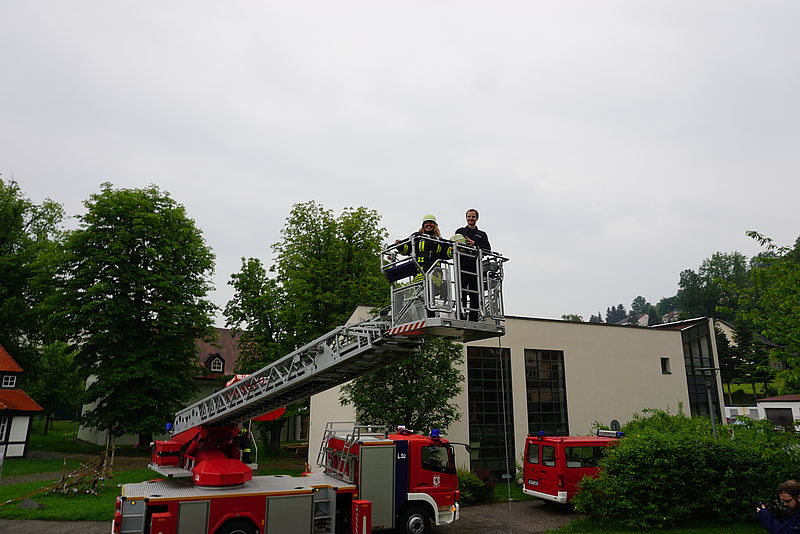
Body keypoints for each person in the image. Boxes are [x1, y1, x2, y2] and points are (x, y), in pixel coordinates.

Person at [454, 209, 491, 321]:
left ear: (477, 218)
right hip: (462, 266)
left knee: (475, 292)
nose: (471, 218)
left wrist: (475, 244)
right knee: (461, 291)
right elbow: (454, 245)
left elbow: (488, 250)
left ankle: (473, 317)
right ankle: (461, 315)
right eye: (469, 216)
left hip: (476, 267)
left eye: (473, 217)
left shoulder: (482, 234)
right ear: (466, 218)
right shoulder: (460, 231)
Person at [394, 214, 453, 280]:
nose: (428, 224)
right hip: (420, 273)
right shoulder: (417, 237)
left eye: (431, 222)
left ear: (435, 225)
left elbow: (446, 252)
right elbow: (407, 248)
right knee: (421, 286)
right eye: (426, 223)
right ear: (423, 225)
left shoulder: (439, 240)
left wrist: (452, 250)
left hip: (436, 274)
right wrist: (400, 245)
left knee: (435, 286)